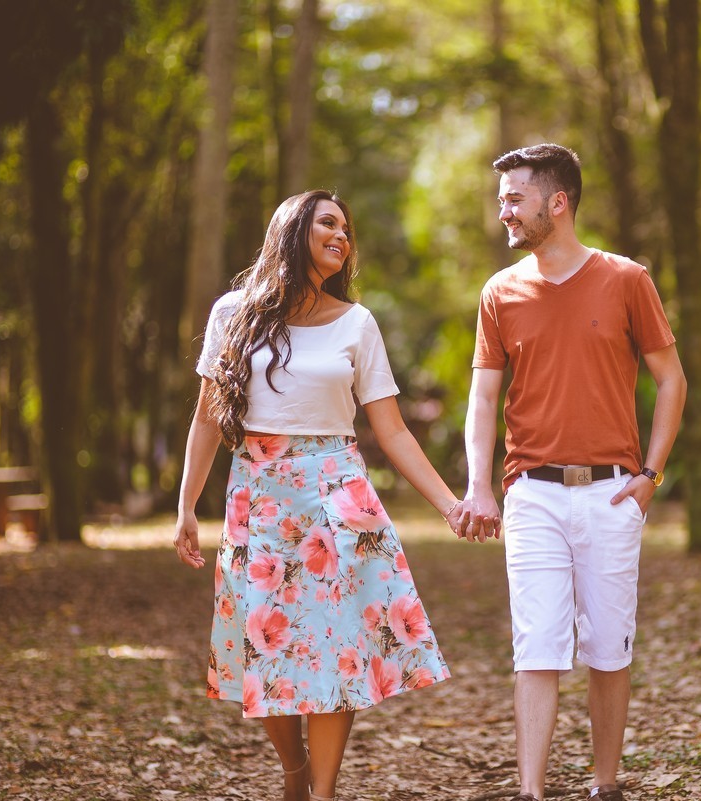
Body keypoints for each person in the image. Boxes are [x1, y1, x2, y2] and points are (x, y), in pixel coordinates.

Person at [174, 189, 463, 801]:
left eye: (348, 229)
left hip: (337, 494)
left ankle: (322, 792)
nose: (342, 235)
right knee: (263, 645)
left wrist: (449, 503)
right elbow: (205, 420)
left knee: (337, 651)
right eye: (328, 223)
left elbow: (392, 429)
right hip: (258, 497)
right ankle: (294, 768)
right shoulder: (232, 313)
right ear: (293, 229)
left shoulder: (358, 323)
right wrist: (184, 509)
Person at [460, 144, 687, 801]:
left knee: (608, 646)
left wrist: (649, 474)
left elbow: (671, 378)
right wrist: (480, 485)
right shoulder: (499, 293)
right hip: (531, 492)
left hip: (613, 492)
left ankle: (605, 783)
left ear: (556, 203)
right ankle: (531, 791)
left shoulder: (626, 279)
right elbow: (482, 397)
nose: (502, 210)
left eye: (514, 198)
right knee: (536, 644)